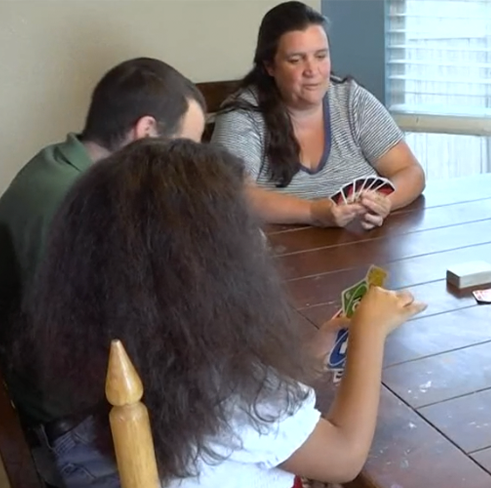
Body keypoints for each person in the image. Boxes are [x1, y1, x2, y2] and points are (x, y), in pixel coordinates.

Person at [12, 139, 427, 488]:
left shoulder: (136, 349)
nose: (260, 237)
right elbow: (344, 457)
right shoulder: (232, 390)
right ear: (209, 266)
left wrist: (312, 354)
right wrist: (370, 333)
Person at [0, 57, 206, 487]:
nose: (188, 168)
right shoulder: (73, 208)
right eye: (185, 149)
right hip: (75, 427)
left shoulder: (58, 166)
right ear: (146, 131)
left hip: (60, 400)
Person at [212, 1, 426, 230]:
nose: (312, 71)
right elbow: (233, 193)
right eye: (295, 60)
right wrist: (314, 212)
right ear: (269, 66)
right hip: (277, 256)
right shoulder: (242, 115)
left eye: (321, 56)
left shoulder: (352, 100)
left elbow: (410, 171)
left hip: (361, 249)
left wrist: (385, 202)